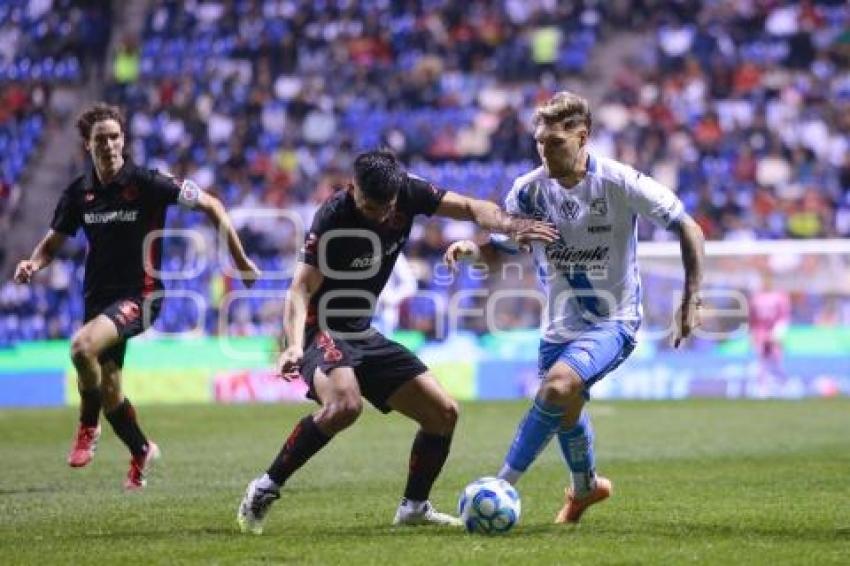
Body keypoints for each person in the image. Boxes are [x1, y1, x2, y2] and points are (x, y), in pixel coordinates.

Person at [236, 150, 557, 534]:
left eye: (386, 208)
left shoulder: (408, 193)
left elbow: (472, 207)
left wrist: (511, 224)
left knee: (443, 414)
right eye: (371, 208)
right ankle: (265, 487)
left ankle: (414, 508)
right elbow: (301, 287)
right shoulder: (332, 217)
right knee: (345, 405)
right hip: (320, 329)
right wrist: (291, 345)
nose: (381, 216)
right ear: (353, 189)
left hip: (363, 332)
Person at [444, 91, 705, 524]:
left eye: (555, 143)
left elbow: (689, 228)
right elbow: (504, 249)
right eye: (540, 142)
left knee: (556, 388)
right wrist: (471, 250)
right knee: (567, 409)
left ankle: (501, 484)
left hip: (614, 320)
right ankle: (586, 489)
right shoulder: (527, 191)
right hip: (559, 326)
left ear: (582, 137)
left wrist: (691, 297)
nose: (545, 150)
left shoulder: (620, 182)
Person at [13, 103, 260, 489]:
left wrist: (241, 261)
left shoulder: (147, 183)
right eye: (100, 139)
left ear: (124, 140)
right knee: (110, 390)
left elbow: (212, 204)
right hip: (98, 301)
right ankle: (141, 449)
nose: (109, 145)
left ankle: (86, 426)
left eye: (115, 137)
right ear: (87, 146)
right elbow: (51, 244)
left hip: (140, 297)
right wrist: (32, 263)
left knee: (81, 348)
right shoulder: (79, 194)